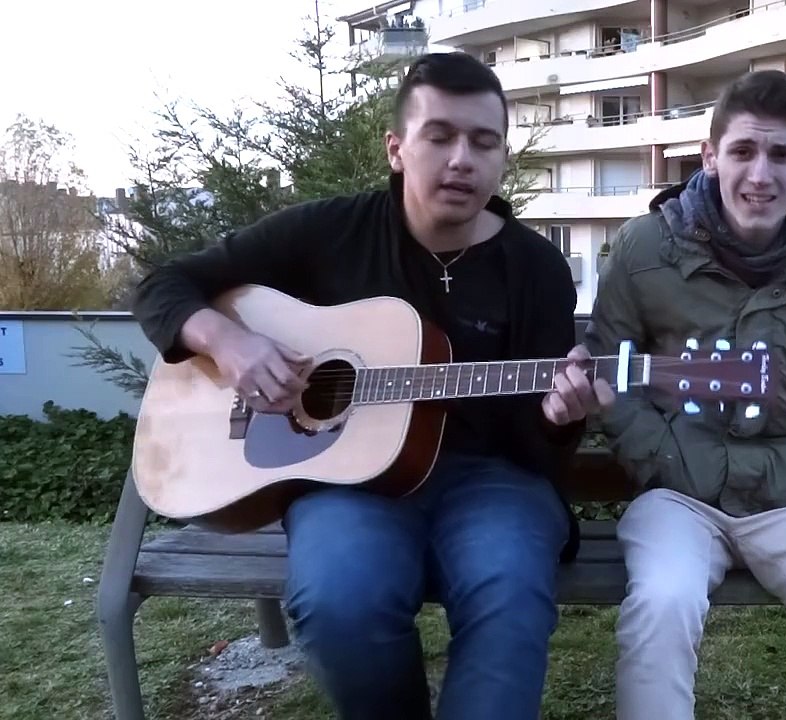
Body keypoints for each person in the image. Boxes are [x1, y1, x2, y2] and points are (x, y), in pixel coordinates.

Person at [131, 52, 614, 720]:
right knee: (339, 598)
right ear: (397, 149)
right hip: (345, 483)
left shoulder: (534, 266)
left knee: (509, 593)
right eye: (439, 136)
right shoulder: (329, 231)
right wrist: (231, 341)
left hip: (492, 481)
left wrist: (563, 418)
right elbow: (162, 286)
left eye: (483, 141)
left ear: (503, 157)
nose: (461, 159)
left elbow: (538, 452)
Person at [585, 69, 786, 719]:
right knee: (661, 606)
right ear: (710, 157)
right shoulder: (643, 248)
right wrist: (662, 454)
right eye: (742, 151)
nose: (760, 175)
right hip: (677, 493)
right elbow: (608, 370)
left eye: (782, 154)